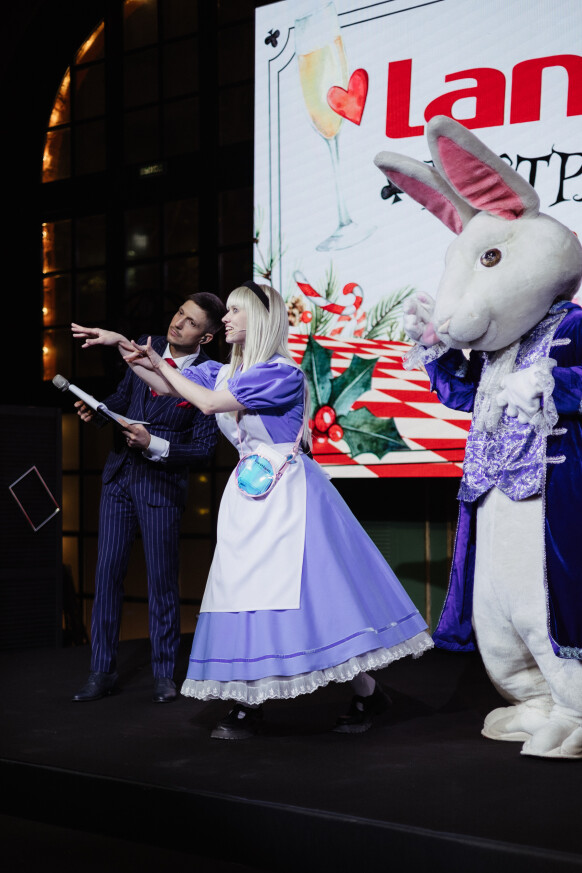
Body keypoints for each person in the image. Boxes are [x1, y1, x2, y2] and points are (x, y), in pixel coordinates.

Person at [120, 280, 433, 738]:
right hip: (249, 494)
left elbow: (205, 403)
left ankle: (348, 693)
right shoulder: (227, 372)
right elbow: (169, 388)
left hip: (288, 496)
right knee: (242, 593)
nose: (226, 318)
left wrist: (160, 365)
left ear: (261, 319)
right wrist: (132, 356)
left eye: (235, 311)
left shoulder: (280, 374)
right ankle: (257, 700)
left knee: (304, 599)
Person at [70, 292, 226, 704]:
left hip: (161, 484)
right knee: (107, 575)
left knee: (161, 581)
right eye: (179, 313)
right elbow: (124, 398)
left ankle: (163, 674)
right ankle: (101, 671)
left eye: (191, 322)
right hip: (119, 477)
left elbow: (204, 448)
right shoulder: (145, 345)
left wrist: (152, 442)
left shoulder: (210, 377)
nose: (178, 323)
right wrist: (99, 410)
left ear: (206, 337)